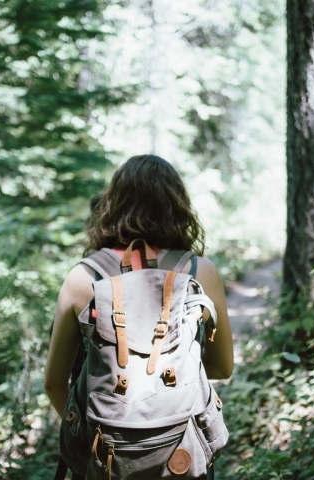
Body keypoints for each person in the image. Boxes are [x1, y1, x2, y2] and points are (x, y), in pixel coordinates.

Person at [44, 153, 234, 420]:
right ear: (177, 206)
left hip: (105, 449)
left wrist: (82, 437)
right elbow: (222, 368)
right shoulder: (200, 272)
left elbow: (53, 382)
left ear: (113, 204)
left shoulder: (83, 277)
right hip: (182, 447)